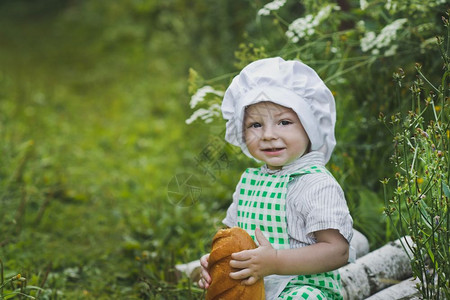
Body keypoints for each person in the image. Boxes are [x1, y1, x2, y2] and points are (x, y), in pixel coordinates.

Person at [198, 57, 353, 299]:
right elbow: (233, 237)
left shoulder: (316, 184)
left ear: (309, 126)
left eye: (284, 122)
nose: (268, 135)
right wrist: (217, 260)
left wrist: (275, 262)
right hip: (253, 287)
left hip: (303, 288)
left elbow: (338, 251)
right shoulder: (249, 181)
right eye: (255, 125)